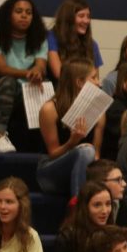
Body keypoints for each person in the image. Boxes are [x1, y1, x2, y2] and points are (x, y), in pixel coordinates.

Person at [0, 0, 47, 153]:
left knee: (45, 85)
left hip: (26, 90)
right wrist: (29, 72)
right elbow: (1, 68)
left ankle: (45, 146)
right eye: (19, 11)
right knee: (9, 81)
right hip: (0, 87)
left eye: (28, 12)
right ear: (8, 14)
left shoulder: (40, 37)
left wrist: (37, 71)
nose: (24, 16)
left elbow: (41, 65)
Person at [37, 58, 100, 196]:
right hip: (51, 171)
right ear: (79, 82)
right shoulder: (50, 109)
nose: (98, 83)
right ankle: (77, 207)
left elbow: (96, 154)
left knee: (92, 155)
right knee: (86, 150)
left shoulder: (98, 109)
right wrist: (72, 142)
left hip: (83, 168)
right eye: (94, 78)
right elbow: (52, 154)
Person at [46, 0, 103, 81]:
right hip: (59, 89)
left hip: (84, 90)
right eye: (81, 16)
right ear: (68, 18)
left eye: (88, 16)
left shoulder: (92, 44)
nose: (86, 21)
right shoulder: (52, 37)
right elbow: (59, 73)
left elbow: (95, 78)